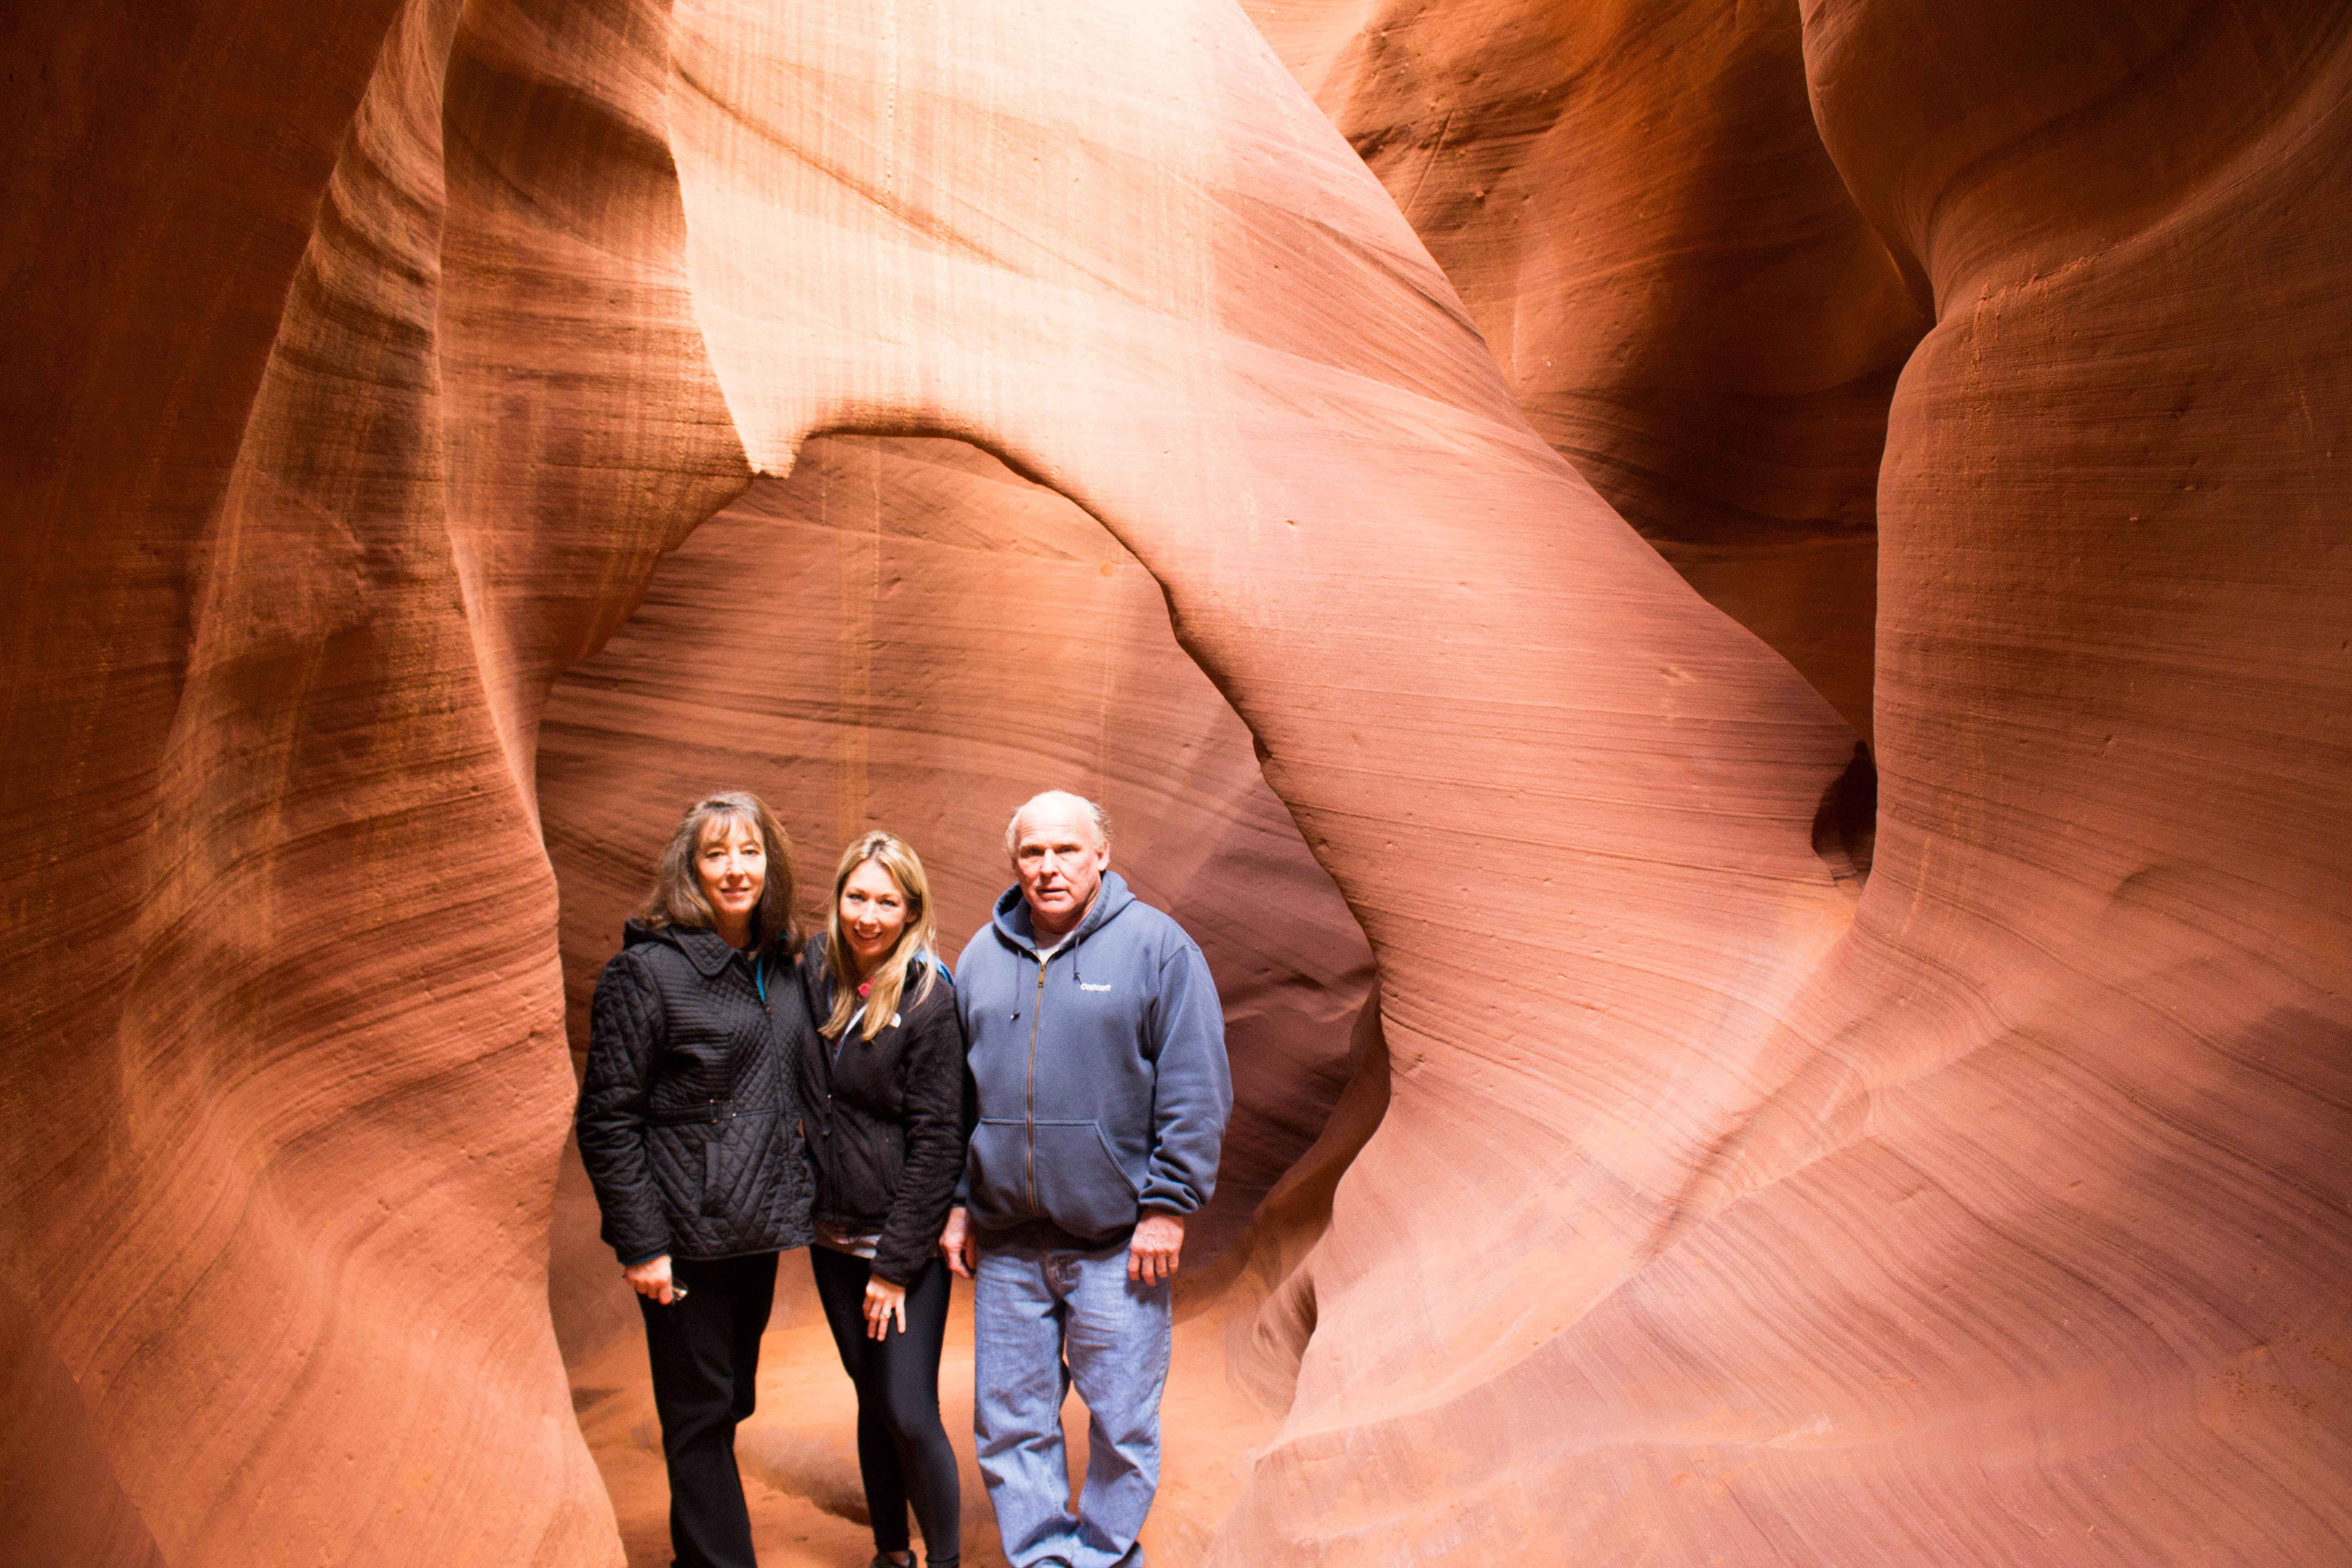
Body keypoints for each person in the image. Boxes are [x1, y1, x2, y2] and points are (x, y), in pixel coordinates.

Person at [940, 790, 1232, 1568]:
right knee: (1011, 1422)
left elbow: (1197, 1088)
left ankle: (1102, 1554)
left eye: (1067, 849)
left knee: (1123, 1421)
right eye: (1033, 852)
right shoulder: (980, 957)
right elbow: (960, 1099)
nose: (1050, 867)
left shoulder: (1157, 948)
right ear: (1015, 863)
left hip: (1117, 1243)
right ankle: (1039, 1556)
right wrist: (962, 1203)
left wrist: (1167, 1207)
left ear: (1101, 854)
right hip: (1008, 1244)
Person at [576, 790, 816, 1568]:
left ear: (771, 864)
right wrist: (642, 1245)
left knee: (729, 1401)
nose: (736, 869)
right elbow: (608, 1120)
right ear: (691, 868)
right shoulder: (645, 974)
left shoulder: (783, 969)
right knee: (700, 1412)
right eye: (717, 854)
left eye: (750, 851)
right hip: (684, 1236)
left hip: (757, 1229)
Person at [797, 832, 969, 1568]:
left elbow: (939, 1142)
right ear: (838, 898)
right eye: (857, 897)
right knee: (871, 1398)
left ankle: (946, 1562)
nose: (868, 916)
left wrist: (895, 1268)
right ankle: (891, 1552)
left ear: (912, 912)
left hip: (900, 1246)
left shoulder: (930, 998)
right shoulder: (815, 969)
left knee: (907, 1408)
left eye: (887, 902)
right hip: (831, 1237)